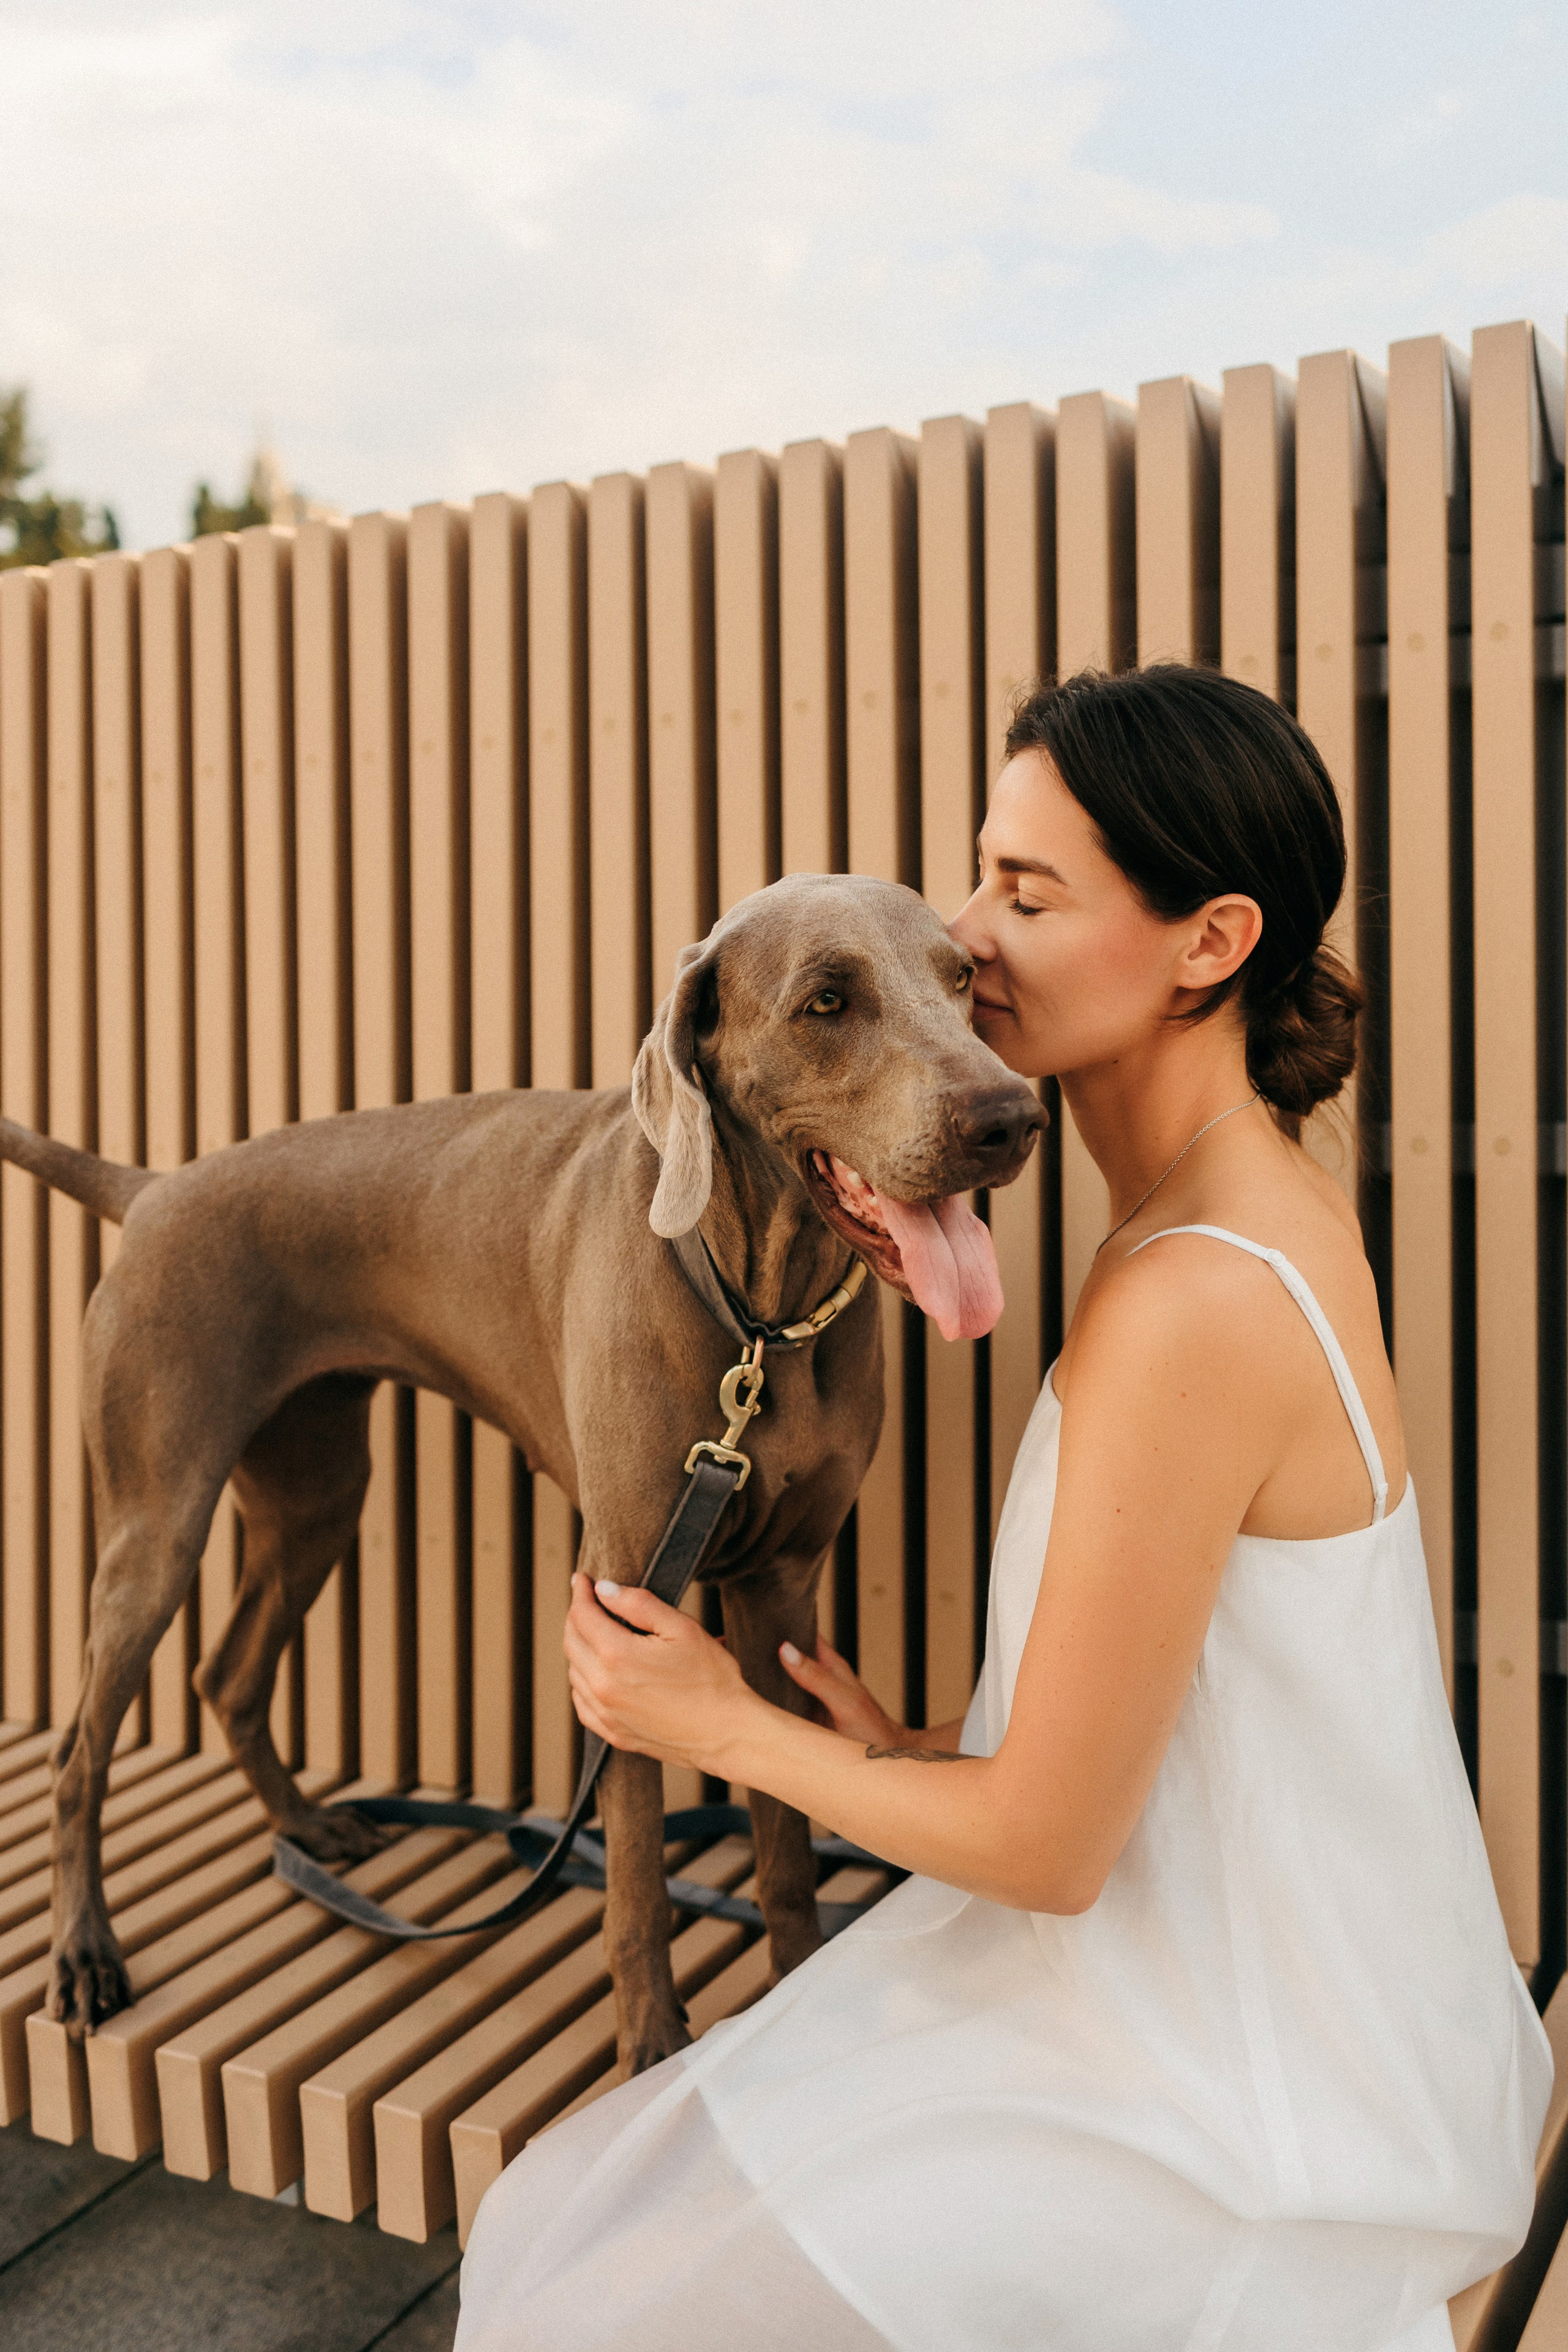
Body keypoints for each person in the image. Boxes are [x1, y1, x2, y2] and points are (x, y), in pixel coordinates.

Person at [456, 665, 1549, 2352]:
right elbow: (1220, 1702)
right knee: (567, 2234)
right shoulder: (1252, 1195)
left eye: (1027, 895)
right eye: (980, 874)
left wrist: (712, 1721)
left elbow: (1047, 1848)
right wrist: (900, 1749)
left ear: (1208, 943)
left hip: (1245, 2097)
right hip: (1272, 1984)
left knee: (572, 2304)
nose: (970, 937)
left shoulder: (1193, 1297)